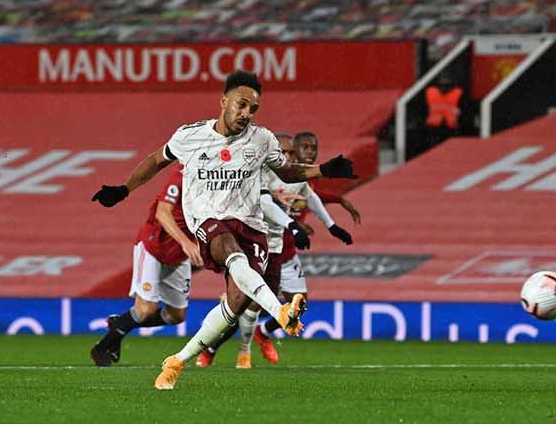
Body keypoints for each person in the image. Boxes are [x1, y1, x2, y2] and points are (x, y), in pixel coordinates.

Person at [91, 70, 356, 390]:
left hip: (252, 227)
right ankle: (282, 312)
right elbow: (155, 160)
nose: (246, 113)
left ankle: (178, 361)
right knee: (228, 249)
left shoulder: (262, 139)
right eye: (241, 105)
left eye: (253, 109)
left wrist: (324, 170)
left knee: (234, 307)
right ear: (224, 102)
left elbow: (286, 172)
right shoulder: (190, 137)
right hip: (209, 223)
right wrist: (124, 189)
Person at [195, 132, 356, 368]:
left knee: (283, 305)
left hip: (278, 247)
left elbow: (309, 196)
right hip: (252, 243)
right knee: (241, 304)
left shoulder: (296, 174)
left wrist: (332, 226)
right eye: (284, 151)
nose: (288, 156)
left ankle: (256, 338)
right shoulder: (260, 172)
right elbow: (265, 203)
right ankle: (214, 349)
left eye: (291, 152)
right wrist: (293, 225)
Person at [90, 164, 203, 366]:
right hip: (153, 246)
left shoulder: (219, 182)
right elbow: (162, 213)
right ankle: (102, 348)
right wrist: (186, 242)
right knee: (145, 310)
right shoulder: (182, 176)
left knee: (177, 316)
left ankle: (121, 322)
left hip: (178, 256)